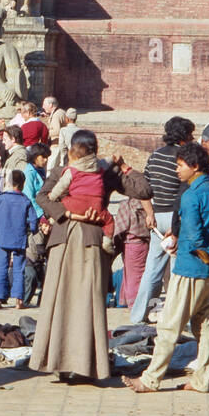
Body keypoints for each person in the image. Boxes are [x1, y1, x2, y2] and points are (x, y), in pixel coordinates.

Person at [29, 134, 142, 383]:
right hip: (63, 240)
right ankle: (57, 362)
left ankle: (86, 365)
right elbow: (42, 197)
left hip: (92, 243)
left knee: (86, 304)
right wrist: (68, 213)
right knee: (60, 301)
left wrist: (124, 167)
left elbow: (143, 190)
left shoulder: (104, 171)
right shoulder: (63, 171)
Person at [124, 142, 209, 394]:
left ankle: (151, 379)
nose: (176, 170)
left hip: (191, 268)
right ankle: (200, 380)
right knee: (204, 326)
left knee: (169, 326)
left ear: (194, 167)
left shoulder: (192, 195)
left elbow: (194, 238)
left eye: (180, 165)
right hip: (208, 273)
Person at [127, 116, 194, 324]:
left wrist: (149, 213)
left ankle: (138, 315)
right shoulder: (184, 159)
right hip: (176, 219)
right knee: (177, 270)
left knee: (152, 269)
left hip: (156, 217)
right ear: (183, 136)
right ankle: (175, 316)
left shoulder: (155, 156)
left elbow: (144, 188)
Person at [0, 168, 38, 308]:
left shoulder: (0, 198)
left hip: (2, 238)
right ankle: (19, 301)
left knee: (2, 268)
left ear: (8, 182)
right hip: (19, 239)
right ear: (23, 183)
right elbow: (33, 220)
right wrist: (32, 230)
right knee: (19, 269)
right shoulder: (25, 200)